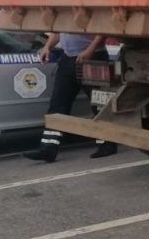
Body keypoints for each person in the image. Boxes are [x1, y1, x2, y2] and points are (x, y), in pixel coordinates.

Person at [24, 32, 118, 162]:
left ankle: (107, 144)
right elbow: (58, 30)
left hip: (93, 56)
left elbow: (101, 31)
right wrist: (48, 47)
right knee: (58, 104)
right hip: (68, 58)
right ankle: (48, 149)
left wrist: (90, 50)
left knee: (99, 103)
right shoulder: (65, 12)